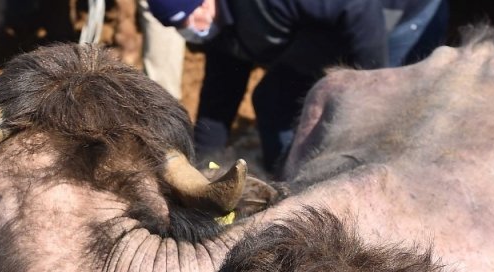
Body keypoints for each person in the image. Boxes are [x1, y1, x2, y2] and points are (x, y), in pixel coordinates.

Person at [148, 0, 449, 175]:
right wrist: (204, 169)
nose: (189, 28)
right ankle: (292, 185)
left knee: (378, 125)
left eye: (190, 15)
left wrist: (370, 88)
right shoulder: (219, 28)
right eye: (178, 26)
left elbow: (360, 11)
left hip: (394, 15)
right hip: (323, 32)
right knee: (272, 100)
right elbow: (219, 100)